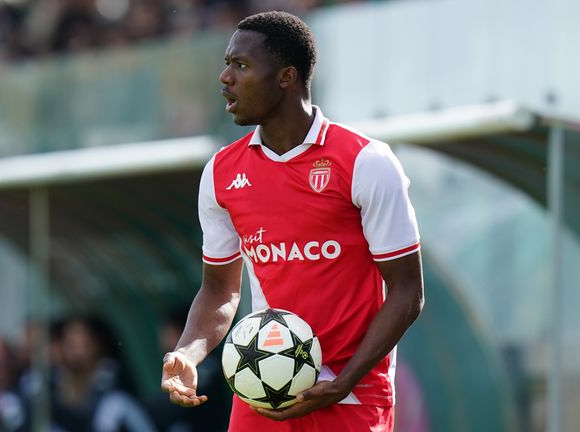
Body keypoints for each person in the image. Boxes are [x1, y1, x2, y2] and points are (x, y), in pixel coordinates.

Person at [160, 11, 424, 432]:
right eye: (227, 64)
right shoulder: (221, 173)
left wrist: (344, 380)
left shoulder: (366, 162)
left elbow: (408, 291)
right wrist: (188, 353)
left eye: (241, 65)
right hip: (261, 393)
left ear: (287, 77)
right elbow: (219, 290)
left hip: (351, 396)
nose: (225, 77)